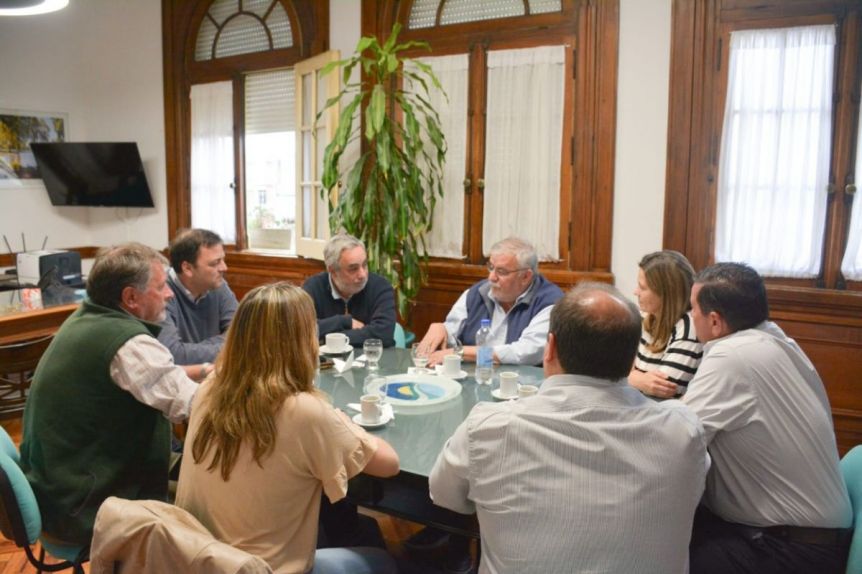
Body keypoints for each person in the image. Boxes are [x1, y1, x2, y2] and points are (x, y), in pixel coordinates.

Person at [429, 282, 709, 574]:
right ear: (631, 358)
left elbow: (445, 496)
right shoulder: (683, 430)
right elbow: (694, 487)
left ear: (549, 348)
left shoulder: (488, 427)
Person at [176, 282, 400, 574]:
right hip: (262, 568)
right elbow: (389, 464)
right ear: (302, 341)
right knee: (382, 561)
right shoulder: (303, 411)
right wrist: (341, 421)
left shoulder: (209, 388)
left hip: (199, 561)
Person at [20, 243, 200, 546]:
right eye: (160, 287)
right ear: (130, 298)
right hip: (84, 506)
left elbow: (167, 385)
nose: (170, 294)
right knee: (211, 503)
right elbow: (195, 405)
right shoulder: (127, 344)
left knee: (194, 472)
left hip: (63, 488)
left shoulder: (88, 319)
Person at [684, 262, 852, 574]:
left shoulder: (732, 355)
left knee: (655, 552)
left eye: (692, 308)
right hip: (805, 537)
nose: (690, 316)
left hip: (789, 550)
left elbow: (679, 439)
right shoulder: (777, 340)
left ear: (715, 321)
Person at [419, 237, 563, 366]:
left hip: (523, 383)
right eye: (491, 268)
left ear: (526, 276)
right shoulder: (477, 293)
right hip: (474, 377)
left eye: (501, 271)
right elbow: (451, 336)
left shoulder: (550, 303)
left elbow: (525, 353)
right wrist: (442, 329)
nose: (491, 278)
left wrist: (461, 352)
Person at [158, 228, 237, 372]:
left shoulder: (218, 285)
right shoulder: (160, 293)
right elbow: (174, 354)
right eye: (215, 263)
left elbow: (242, 333)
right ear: (187, 268)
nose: (224, 268)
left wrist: (191, 350)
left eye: (223, 260)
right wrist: (230, 345)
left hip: (214, 374)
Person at [629, 250, 703, 398]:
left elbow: (662, 392)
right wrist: (637, 379)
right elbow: (609, 365)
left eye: (642, 287)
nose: (635, 292)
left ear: (666, 293)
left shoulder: (688, 330)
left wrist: (629, 375)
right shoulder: (645, 316)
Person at [303, 233, 396, 348]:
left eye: (364, 265)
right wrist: (344, 321)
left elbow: (383, 334)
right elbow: (302, 330)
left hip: (371, 357)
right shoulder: (313, 287)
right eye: (353, 269)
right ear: (333, 271)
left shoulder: (380, 286)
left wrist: (329, 337)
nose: (362, 274)